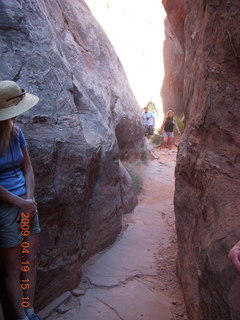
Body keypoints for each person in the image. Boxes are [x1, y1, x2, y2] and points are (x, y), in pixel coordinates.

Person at [0, 80, 41, 320]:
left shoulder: (16, 132)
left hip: (27, 205)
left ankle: (30, 309)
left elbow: (28, 169)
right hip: (6, 210)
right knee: (14, 267)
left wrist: (29, 201)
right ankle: (21, 318)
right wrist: (19, 204)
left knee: (30, 259)